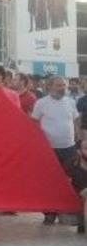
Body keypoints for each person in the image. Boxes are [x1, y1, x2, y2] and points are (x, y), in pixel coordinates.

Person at [32, 76, 80, 225]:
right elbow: (34, 122)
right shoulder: (41, 103)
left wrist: (78, 136)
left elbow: (76, 119)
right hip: (49, 149)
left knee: (73, 181)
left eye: (63, 85)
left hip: (69, 148)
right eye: (59, 85)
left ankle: (72, 212)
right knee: (49, 182)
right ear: (49, 87)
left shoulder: (71, 102)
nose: (62, 88)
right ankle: (50, 213)